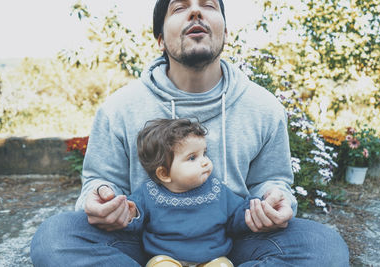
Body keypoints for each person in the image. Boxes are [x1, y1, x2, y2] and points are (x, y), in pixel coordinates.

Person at [31, 0, 349, 266]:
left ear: (225, 30)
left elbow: (272, 180)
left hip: (233, 241)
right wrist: (102, 198)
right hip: (140, 243)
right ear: (159, 38)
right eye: (180, 7)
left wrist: (273, 200)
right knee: (55, 238)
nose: (196, 12)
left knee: (324, 247)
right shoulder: (119, 108)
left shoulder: (264, 107)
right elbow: (100, 182)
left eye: (208, 5)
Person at [125, 118, 255, 267]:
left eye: (204, 153)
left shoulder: (217, 189)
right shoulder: (148, 193)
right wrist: (130, 214)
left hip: (212, 258)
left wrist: (255, 211)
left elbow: (237, 214)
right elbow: (135, 219)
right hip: (165, 257)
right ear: (164, 174)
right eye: (192, 157)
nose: (205, 161)